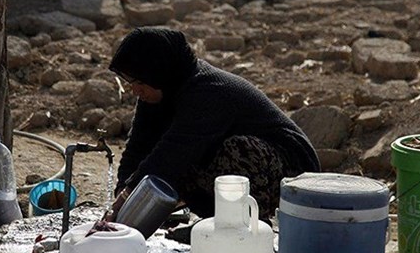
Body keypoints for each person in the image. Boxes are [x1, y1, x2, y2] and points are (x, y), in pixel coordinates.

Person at [106, 27, 321, 238]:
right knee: (164, 169)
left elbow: (173, 153)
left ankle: (245, 228)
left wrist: (127, 198)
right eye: (131, 83)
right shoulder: (155, 95)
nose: (135, 90)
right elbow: (137, 149)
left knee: (225, 152)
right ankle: (216, 225)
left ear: (160, 73)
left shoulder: (208, 91)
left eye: (140, 82)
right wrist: (122, 199)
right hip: (231, 163)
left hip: (290, 175)